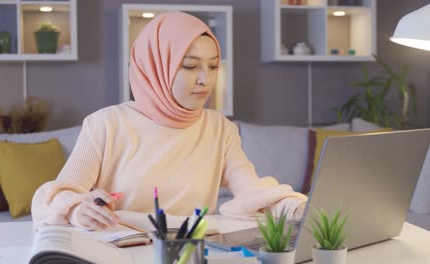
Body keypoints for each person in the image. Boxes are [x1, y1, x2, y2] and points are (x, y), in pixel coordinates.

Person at [31, 12, 307, 231]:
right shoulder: (106, 124)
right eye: (190, 66)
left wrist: (298, 209)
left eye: (213, 66)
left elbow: (253, 192)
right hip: (121, 250)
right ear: (155, 66)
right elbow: (55, 198)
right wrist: (79, 210)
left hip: (191, 251)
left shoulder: (219, 128)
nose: (205, 79)